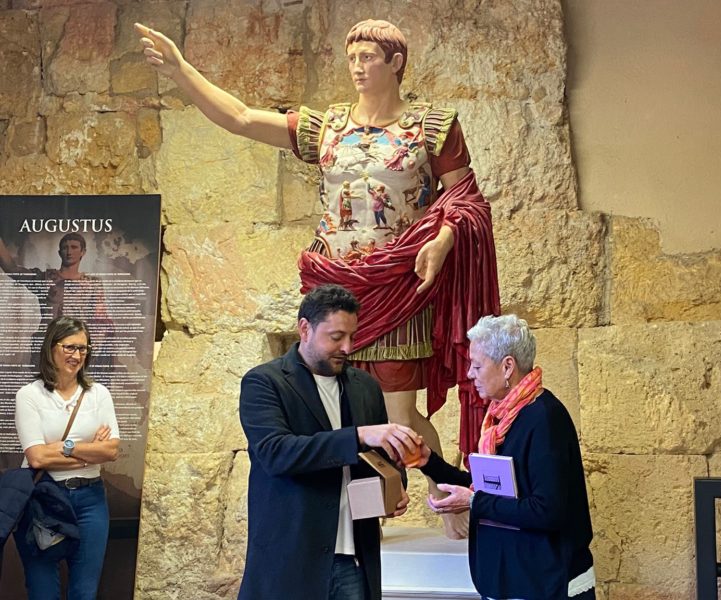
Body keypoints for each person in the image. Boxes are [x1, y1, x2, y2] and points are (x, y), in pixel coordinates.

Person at [135, 18, 501, 538]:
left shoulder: (431, 126)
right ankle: (369, 519)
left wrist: (442, 240)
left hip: (398, 283)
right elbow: (241, 118)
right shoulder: (326, 126)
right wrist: (181, 71)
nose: (357, 66)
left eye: (368, 56)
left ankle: (449, 499)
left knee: (400, 414)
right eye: (352, 57)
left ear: (395, 62)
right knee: (342, 411)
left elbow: (465, 198)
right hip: (334, 285)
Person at [238, 284, 420, 600]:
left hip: (355, 561)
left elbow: (383, 459)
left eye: (352, 336)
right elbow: (276, 453)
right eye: (336, 337)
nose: (347, 347)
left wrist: (394, 488)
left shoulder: (365, 386)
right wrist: (358, 435)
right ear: (305, 328)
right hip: (292, 562)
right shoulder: (264, 382)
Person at [412, 315, 596, 600]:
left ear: (507, 366)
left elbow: (547, 510)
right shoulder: (500, 418)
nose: (470, 374)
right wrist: (429, 462)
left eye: (477, 366)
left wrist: (473, 502)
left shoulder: (545, 418)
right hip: (513, 579)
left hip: (544, 583)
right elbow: (490, 488)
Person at [13, 316, 120, 600]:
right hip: (43, 497)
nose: (77, 355)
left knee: (84, 592)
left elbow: (111, 450)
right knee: (43, 591)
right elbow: (37, 457)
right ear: (52, 347)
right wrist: (89, 452)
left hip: (90, 500)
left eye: (83, 348)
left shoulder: (98, 394)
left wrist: (66, 447)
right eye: (70, 347)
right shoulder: (29, 395)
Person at [0, 233, 113, 369]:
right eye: (65, 247)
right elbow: (12, 269)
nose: (69, 251)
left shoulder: (93, 283)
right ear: (59, 252)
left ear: (83, 252)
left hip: (76, 349)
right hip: (48, 348)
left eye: (74, 247)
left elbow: (99, 320)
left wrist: (89, 350)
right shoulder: (45, 278)